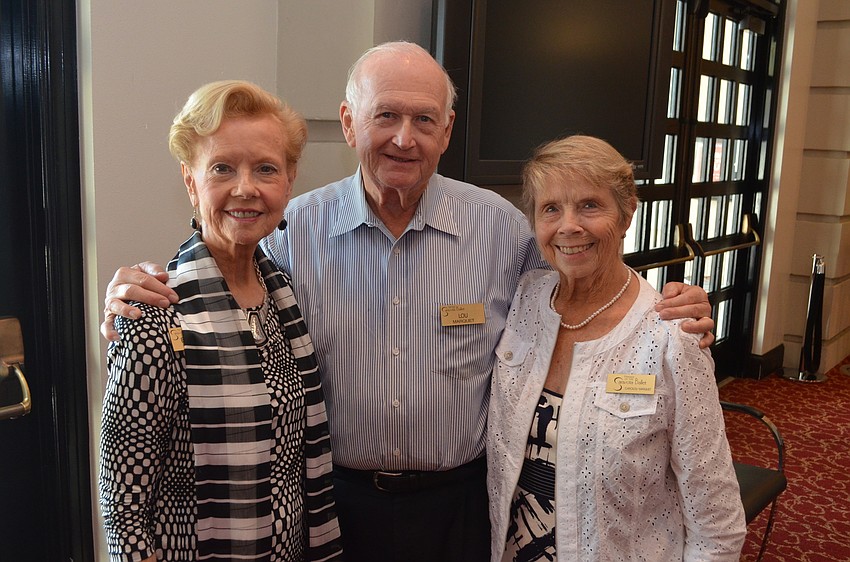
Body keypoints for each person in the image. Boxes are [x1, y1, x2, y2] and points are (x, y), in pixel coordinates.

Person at [100, 43, 715, 562]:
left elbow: (578, 277)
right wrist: (133, 289)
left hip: (460, 507)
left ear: (447, 130)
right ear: (348, 122)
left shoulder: (500, 229)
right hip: (333, 507)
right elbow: (223, 272)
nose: (404, 138)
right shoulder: (292, 234)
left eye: (424, 120)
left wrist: (661, 306)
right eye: (385, 115)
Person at [98, 80, 343, 562]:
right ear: (191, 180)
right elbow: (122, 503)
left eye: (266, 169)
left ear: (289, 181)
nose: (245, 187)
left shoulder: (282, 295)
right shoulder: (155, 314)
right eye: (222, 168)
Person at [488, 135, 746, 561]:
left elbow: (716, 521)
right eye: (551, 208)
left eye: (590, 205)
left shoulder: (671, 334)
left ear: (627, 214)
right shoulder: (524, 300)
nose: (569, 225)